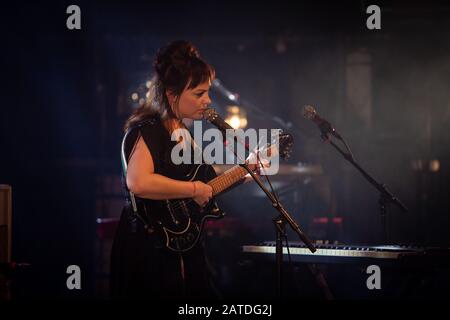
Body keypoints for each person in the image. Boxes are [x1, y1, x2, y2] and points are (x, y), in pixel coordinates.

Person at [110, 40, 218, 300]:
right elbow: (138, 182)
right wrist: (193, 189)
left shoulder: (184, 133)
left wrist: (245, 173)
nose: (208, 100)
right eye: (199, 93)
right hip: (148, 246)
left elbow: (204, 182)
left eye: (207, 92)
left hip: (180, 240)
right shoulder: (148, 130)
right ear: (172, 95)